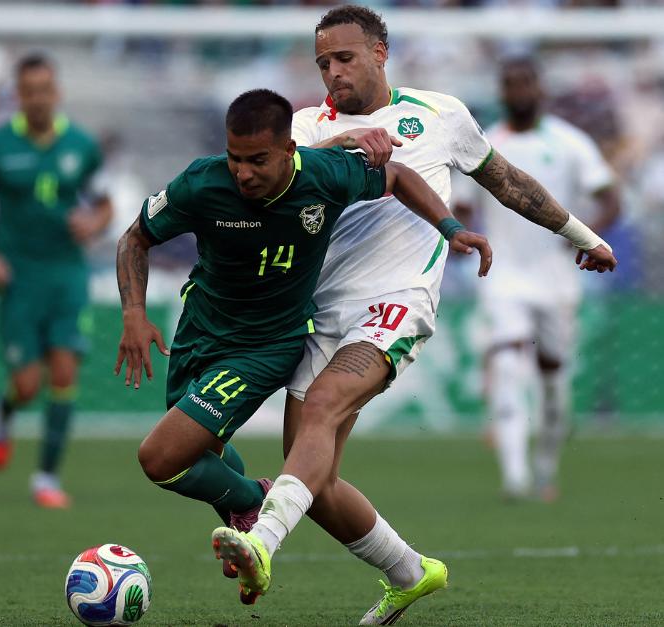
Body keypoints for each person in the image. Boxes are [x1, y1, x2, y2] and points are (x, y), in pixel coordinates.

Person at [210, 7, 618, 625]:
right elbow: (262, 202)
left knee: (322, 410)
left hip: (396, 305)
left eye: (344, 58)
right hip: (319, 312)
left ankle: (261, 545)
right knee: (313, 481)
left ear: (380, 52)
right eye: (323, 62)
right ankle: (409, 573)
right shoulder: (299, 128)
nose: (333, 72)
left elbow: (508, 183)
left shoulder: (439, 114)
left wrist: (582, 235)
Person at [115, 88, 490, 601]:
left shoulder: (323, 174)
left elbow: (398, 175)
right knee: (203, 455)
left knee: (160, 459)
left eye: (257, 160)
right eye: (235, 158)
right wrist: (133, 314)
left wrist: (451, 229)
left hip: (267, 347)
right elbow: (135, 238)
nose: (242, 172)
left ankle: (261, 501)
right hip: (200, 334)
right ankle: (247, 511)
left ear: (290, 149)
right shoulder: (202, 183)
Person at [454, 57, 620, 502]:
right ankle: (515, 477)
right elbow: (464, 203)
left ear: (539, 89)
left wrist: (586, 237)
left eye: (524, 83)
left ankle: (545, 468)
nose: (517, 91)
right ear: (501, 91)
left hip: (557, 280)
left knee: (553, 383)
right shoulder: (487, 144)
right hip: (503, 275)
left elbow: (610, 197)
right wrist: (462, 230)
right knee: (508, 365)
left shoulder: (570, 143)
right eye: (509, 84)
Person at [0, 53, 112, 508]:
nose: (38, 99)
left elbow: (104, 204)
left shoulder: (82, 146)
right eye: (29, 92)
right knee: (27, 384)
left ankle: (46, 477)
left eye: (45, 90)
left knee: (64, 370)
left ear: (57, 92)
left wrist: (94, 222)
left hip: (66, 273)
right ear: (18, 96)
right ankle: (4, 411)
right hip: (18, 275)